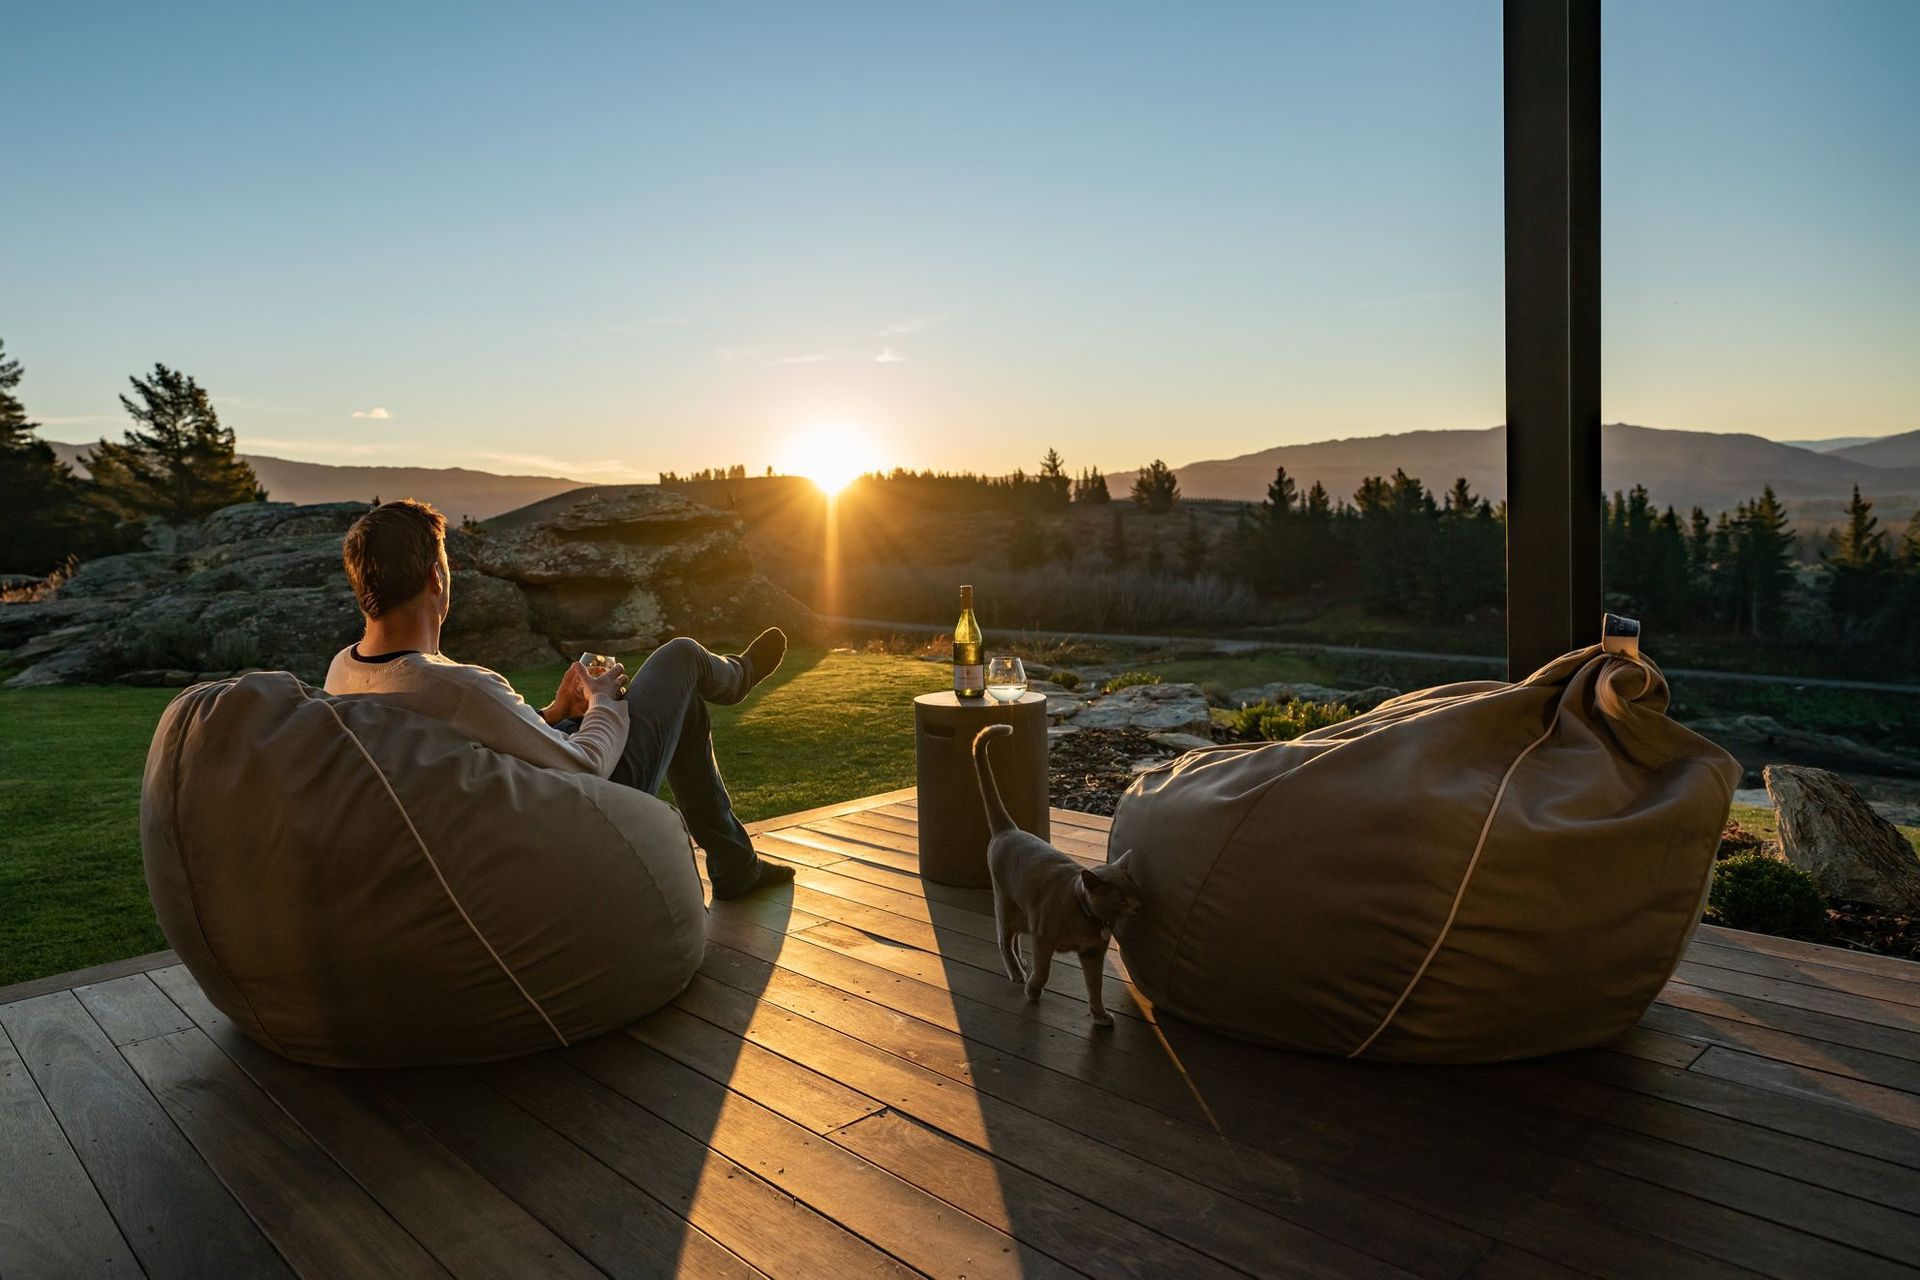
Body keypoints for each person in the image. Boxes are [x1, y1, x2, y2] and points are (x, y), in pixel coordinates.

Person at [323, 498, 795, 898]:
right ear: (436, 579)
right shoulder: (461, 688)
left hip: (508, 809)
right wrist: (604, 701)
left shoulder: (343, 671)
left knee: (683, 707)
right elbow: (587, 766)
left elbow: (479, 751)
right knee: (682, 657)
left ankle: (736, 865)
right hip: (581, 813)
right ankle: (736, 677)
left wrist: (557, 712)